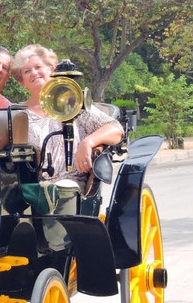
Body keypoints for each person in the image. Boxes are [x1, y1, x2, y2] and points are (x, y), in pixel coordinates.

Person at [10, 44, 124, 192]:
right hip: (30, 187)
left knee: (62, 189)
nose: (34, 73)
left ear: (51, 70)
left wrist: (88, 142)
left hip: (70, 183)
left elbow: (116, 130)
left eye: (38, 67)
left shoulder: (73, 102)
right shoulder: (16, 114)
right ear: (22, 81)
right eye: (27, 71)